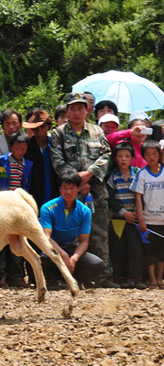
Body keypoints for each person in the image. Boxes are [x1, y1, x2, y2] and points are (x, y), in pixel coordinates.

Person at [50, 92, 118, 288]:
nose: (77, 112)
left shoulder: (97, 131)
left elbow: (106, 156)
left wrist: (89, 174)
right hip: (70, 193)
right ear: (67, 110)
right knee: (69, 234)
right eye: (73, 108)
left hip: (96, 190)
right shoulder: (59, 133)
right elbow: (57, 161)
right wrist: (77, 182)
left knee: (100, 233)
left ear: (87, 110)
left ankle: (103, 277)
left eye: (81, 108)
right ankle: (71, 276)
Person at [39, 172, 106, 288]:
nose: (68, 192)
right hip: (54, 249)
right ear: (59, 189)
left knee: (98, 264)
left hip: (73, 248)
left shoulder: (84, 210)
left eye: (72, 188)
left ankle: (76, 279)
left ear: (78, 189)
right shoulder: (47, 208)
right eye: (65, 188)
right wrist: (63, 255)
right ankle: (54, 280)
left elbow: (84, 241)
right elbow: (46, 237)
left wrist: (74, 259)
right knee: (42, 260)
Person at [0, 131, 32, 287]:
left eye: (23, 149)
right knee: (0, 241)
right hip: (1, 205)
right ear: (11, 147)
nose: (19, 152)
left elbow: (26, 186)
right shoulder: (1, 161)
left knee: (18, 239)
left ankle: (17, 276)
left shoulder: (27, 165)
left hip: (18, 206)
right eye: (17, 148)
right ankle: (0, 276)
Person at [106, 142, 145, 289]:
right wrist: (124, 212)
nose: (123, 159)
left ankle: (137, 277)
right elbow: (110, 197)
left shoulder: (138, 173)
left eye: (127, 156)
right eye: (120, 156)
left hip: (135, 219)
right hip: (117, 219)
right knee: (118, 249)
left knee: (135, 248)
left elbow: (142, 195)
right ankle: (119, 277)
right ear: (115, 158)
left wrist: (137, 213)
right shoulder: (112, 176)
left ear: (132, 158)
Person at [131, 139, 164, 289]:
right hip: (149, 220)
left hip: (162, 220)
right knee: (149, 252)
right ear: (143, 156)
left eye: (154, 154)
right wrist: (141, 219)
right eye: (148, 154)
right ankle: (151, 279)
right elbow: (138, 196)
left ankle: (160, 279)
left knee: (161, 251)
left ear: (159, 154)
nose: (151, 157)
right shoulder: (142, 174)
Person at [23, 110, 58, 209]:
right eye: (36, 129)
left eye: (42, 127)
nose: (39, 132)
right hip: (33, 195)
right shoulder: (27, 148)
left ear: (48, 127)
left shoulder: (55, 146)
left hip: (54, 192)